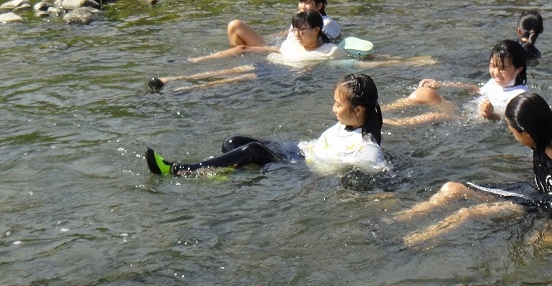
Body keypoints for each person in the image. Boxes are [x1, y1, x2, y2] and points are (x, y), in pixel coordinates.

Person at [394, 92, 552, 246]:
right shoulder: (543, 133)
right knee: (451, 188)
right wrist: (491, 115)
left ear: (527, 133)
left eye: (513, 132)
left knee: (467, 213)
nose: (513, 136)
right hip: (530, 192)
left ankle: (409, 242)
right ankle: (394, 220)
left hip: (539, 207)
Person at [145, 73, 386, 175]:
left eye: (338, 105)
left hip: (298, 168)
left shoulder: (366, 147)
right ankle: (224, 170)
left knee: (252, 150)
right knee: (233, 142)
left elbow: (379, 170)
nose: (333, 109)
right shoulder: (348, 123)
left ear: (358, 110)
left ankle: (181, 170)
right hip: (296, 151)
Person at [149, 10, 348, 91]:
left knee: (234, 78)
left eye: (301, 30)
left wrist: (371, 62)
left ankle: (186, 89)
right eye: (295, 30)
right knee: (230, 71)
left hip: (281, 75)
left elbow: (350, 62)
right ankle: (171, 79)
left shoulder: (330, 51)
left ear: (317, 30)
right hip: (269, 65)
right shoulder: (293, 42)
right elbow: (277, 49)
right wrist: (247, 49)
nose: (297, 34)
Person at [383, 39, 528, 124]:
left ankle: (389, 123)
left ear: (519, 69)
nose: (496, 72)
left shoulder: (519, 96)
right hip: (464, 112)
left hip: (472, 122)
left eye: (503, 68)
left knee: (435, 116)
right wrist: (441, 85)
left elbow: (510, 122)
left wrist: (491, 114)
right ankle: (381, 110)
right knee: (424, 92)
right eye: (493, 66)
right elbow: (476, 89)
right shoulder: (495, 82)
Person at [193, 0, 341, 63]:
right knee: (235, 26)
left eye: (307, 3)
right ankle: (235, 60)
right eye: (300, 2)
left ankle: (202, 60)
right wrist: (269, 37)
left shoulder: (327, 23)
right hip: (282, 47)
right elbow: (289, 34)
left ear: (319, 5)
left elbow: (320, 42)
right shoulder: (303, 20)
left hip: (288, 52)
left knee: (242, 48)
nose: (302, 6)